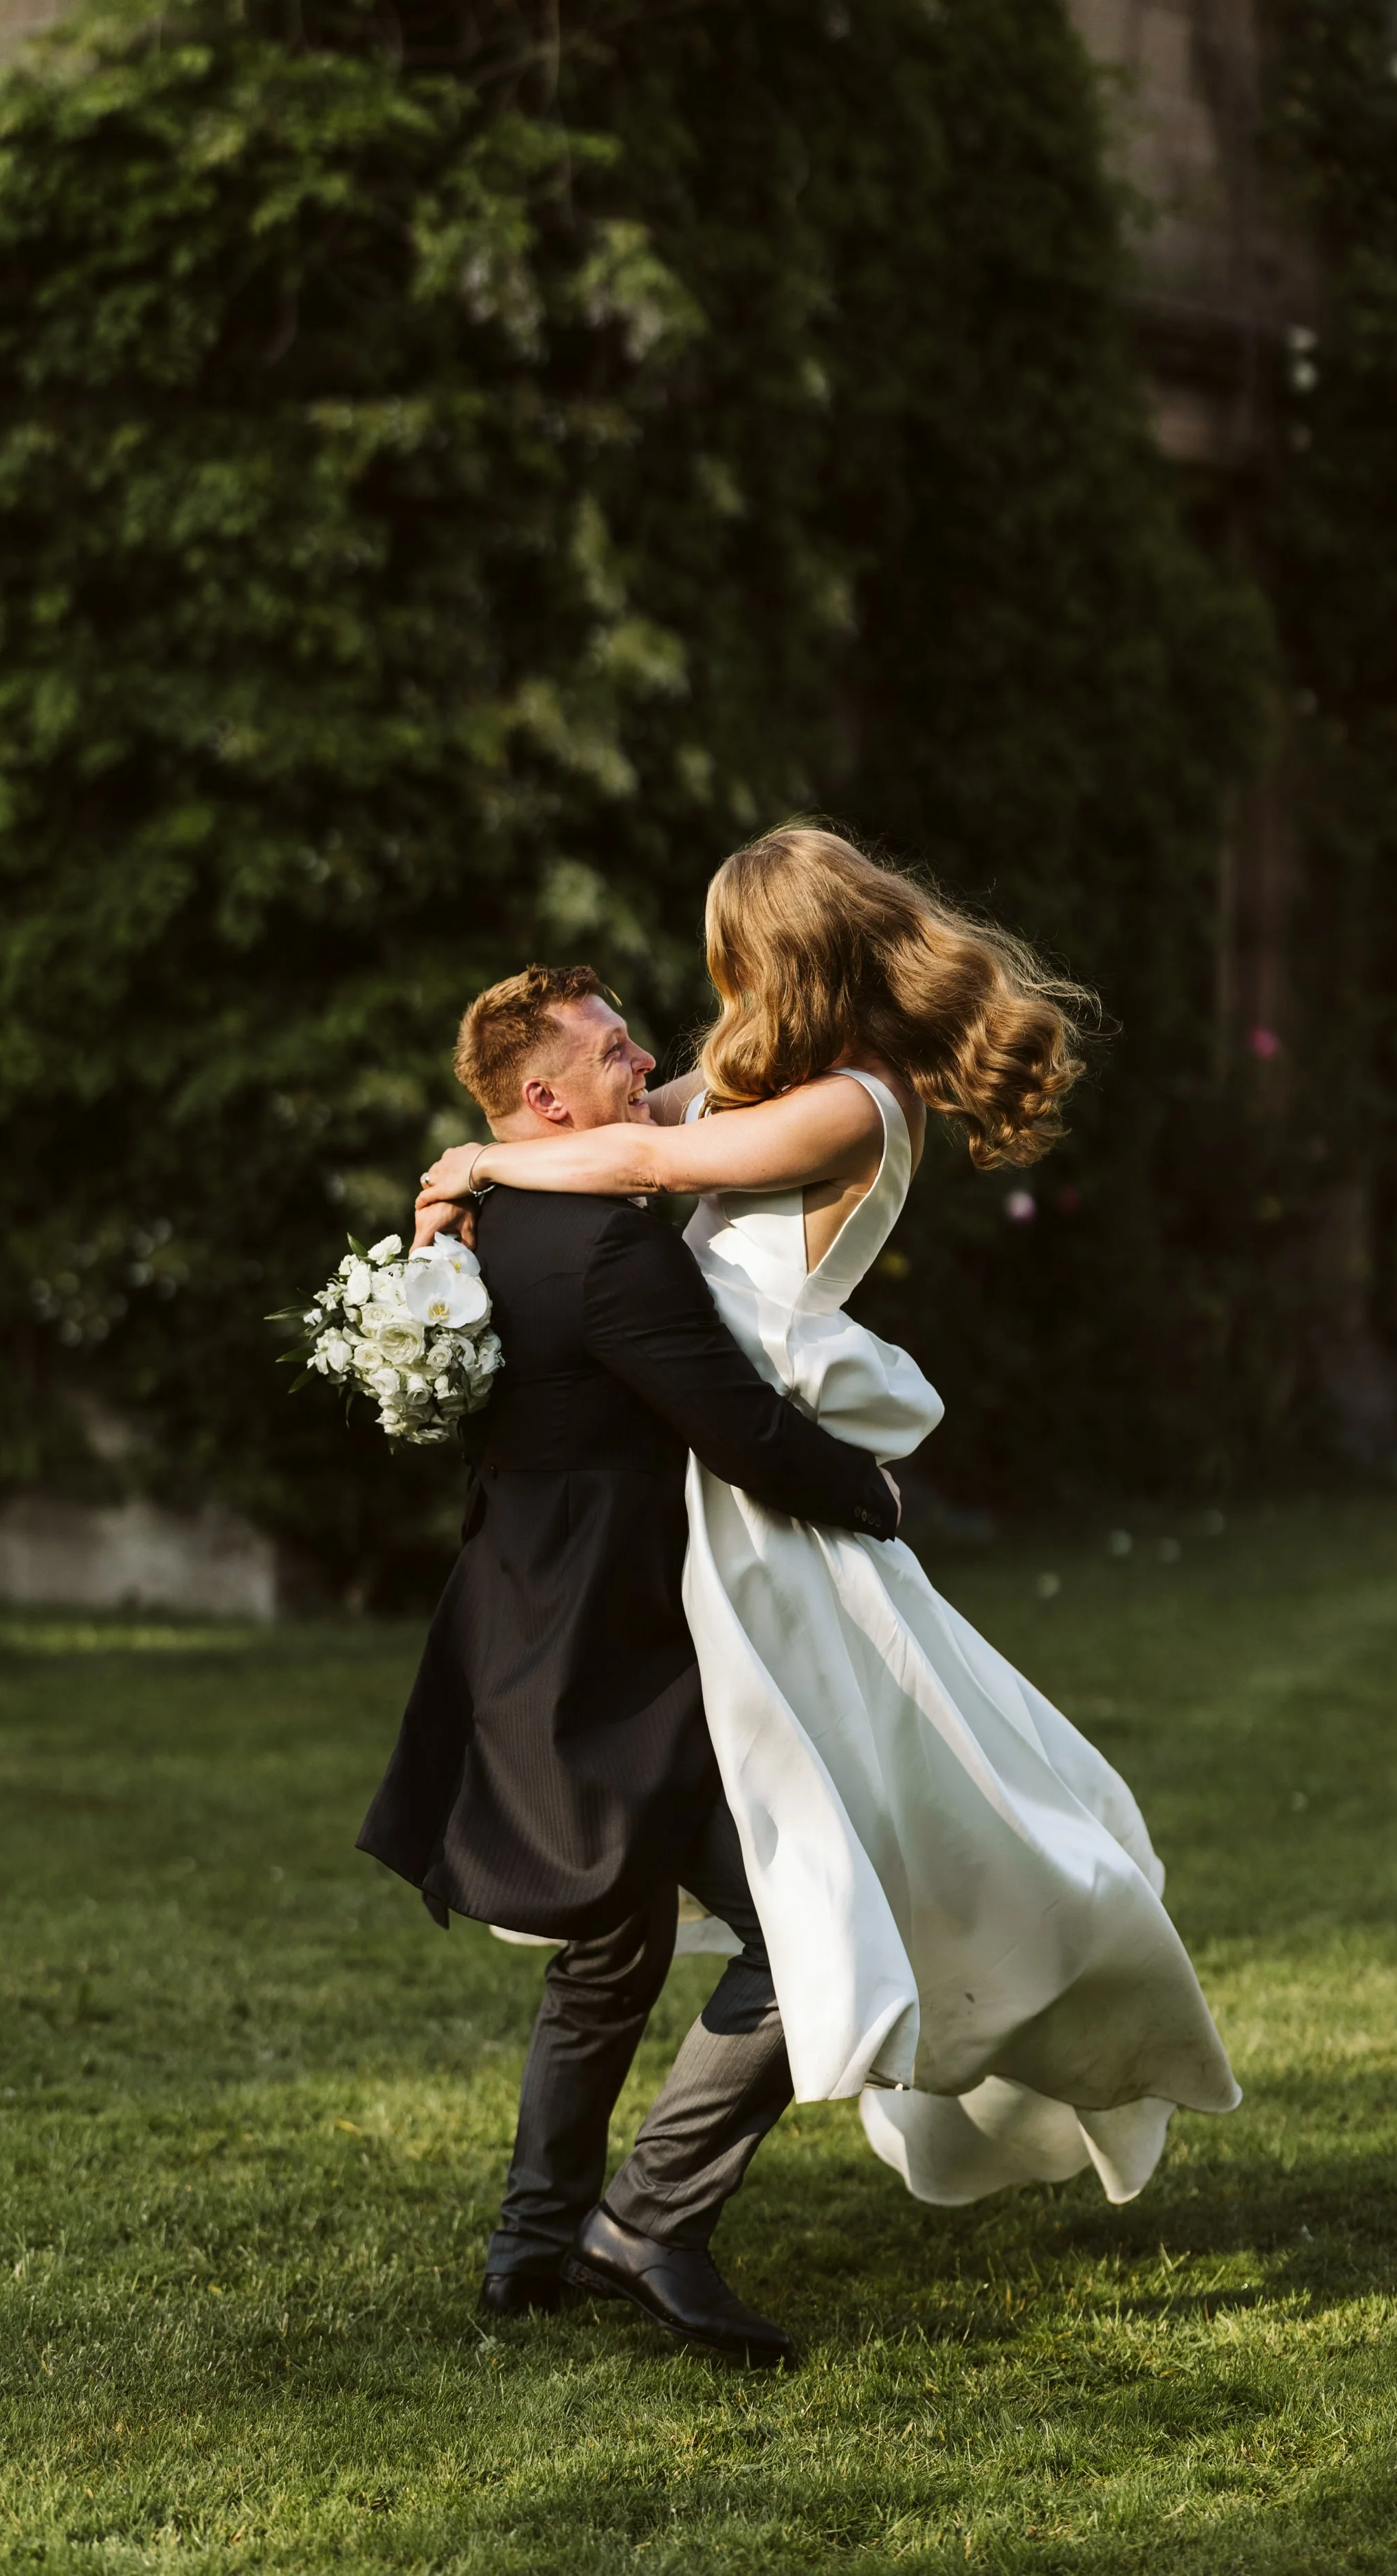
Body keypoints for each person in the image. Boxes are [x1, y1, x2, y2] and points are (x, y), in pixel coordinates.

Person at [416, 828, 1240, 2215]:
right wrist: (482, 1183)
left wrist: (471, 1163)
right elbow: (623, 1126)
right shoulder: (762, 1080)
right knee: (727, 1847)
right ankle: (587, 2220)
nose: (709, 995)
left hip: (760, 1486)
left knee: (852, 1838)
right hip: (708, 1482)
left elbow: (634, 1163)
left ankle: (633, 2203)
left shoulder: (853, 1103)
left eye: (729, 962)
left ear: (777, 959)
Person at [358, 963, 901, 2369]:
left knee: (610, 1947)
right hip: (613, 1661)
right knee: (807, 1928)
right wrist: (875, 1495)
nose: (641, 1062)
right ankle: (645, 2221)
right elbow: (736, 1428)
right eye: (610, 1054)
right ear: (543, 1099)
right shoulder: (605, 1246)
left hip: (533, 1638)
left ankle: (528, 2255)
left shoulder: (477, 1229)